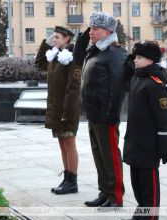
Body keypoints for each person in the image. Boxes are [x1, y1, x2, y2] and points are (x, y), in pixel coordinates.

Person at [120, 41, 167, 220]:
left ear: (151, 60)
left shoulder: (156, 85)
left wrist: (166, 148)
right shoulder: (137, 78)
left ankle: (150, 219)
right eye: (135, 56)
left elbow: (164, 120)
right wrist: (129, 53)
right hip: (135, 141)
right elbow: (126, 66)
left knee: (149, 185)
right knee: (137, 183)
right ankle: (141, 214)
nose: (135, 60)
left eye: (139, 57)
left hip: (149, 145)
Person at [79, 12, 128, 207]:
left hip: (106, 114)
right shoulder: (96, 51)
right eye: (90, 28)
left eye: (94, 29)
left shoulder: (115, 53)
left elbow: (117, 89)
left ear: (108, 32)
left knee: (110, 156)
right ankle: (105, 192)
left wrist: (111, 114)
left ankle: (116, 196)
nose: (90, 32)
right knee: (98, 154)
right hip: (94, 112)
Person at [35, 26, 82, 195]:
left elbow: (73, 88)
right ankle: (67, 178)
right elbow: (39, 63)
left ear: (67, 39)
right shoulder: (55, 57)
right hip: (56, 109)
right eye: (53, 37)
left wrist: (66, 112)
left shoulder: (71, 58)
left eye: (56, 37)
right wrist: (45, 44)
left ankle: (73, 181)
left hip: (67, 110)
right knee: (62, 144)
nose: (53, 39)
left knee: (69, 144)